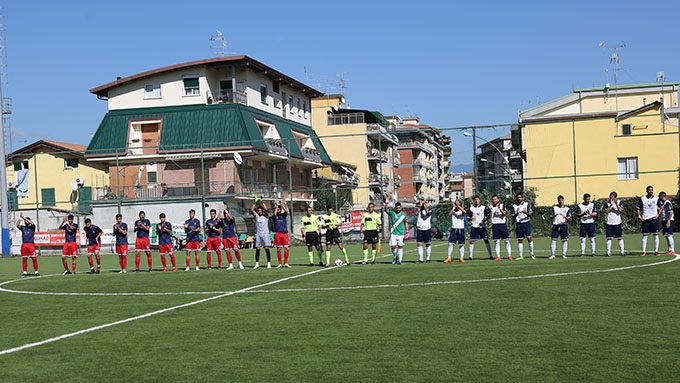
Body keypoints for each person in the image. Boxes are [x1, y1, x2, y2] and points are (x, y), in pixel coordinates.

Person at [637, 185, 662, 256]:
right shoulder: (642, 199)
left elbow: (660, 208)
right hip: (646, 220)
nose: (651, 191)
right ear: (647, 191)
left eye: (652, 190)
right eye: (649, 190)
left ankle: (656, 251)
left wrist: (657, 215)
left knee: (656, 235)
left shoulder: (656, 198)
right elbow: (638, 208)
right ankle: (644, 251)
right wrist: (639, 216)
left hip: (654, 219)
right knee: (645, 236)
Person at [467, 195, 493, 260]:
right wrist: (470, 218)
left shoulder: (483, 207)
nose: (476, 201)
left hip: (482, 227)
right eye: (475, 200)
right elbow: (467, 217)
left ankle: (490, 255)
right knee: (472, 241)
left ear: (479, 200)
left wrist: (483, 220)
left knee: (486, 240)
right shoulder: (471, 208)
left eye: (477, 199)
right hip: (474, 226)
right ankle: (470, 256)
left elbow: (488, 216)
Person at [511, 192, 534, 260]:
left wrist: (524, 212)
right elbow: (513, 217)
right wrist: (516, 213)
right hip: (519, 224)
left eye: (520, 197)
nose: (519, 199)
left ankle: (532, 254)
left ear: (522, 198)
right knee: (520, 240)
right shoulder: (514, 206)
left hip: (526, 223)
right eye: (518, 197)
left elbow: (531, 215)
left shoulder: (527, 204)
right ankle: (521, 255)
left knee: (529, 238)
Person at [251, 200, 272, 269]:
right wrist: (255, 202)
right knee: (257, 249)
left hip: (265, 234)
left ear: (262, 211)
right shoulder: (257, 216)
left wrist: (262, 202)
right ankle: (257, 263)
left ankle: (269, 263)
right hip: (258, 234)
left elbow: (266, 210)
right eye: (258, 210)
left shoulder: (265, 216)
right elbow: (252, 210)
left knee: (267, 248)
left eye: (260, 210)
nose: (259, 211)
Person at [490, 195, 512, 261]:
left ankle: (509, 255)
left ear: (498, 199)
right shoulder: (491, 207)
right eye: (493, 199)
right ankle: (498, 256)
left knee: (506, 240)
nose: (494, 201)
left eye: (495, 199)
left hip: (502, 224)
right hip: (495, 225)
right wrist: (491, 210)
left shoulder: (502, 205)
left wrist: (499, 208)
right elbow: (490, 217)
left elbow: (505, 214)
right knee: (496, 241)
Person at [549, 195, 571, 260]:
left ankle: (564, 254)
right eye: (559, 200)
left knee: (564, 240)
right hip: (555, 225)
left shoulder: (567, 209)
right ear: (557, 201)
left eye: (561, 200)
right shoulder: (554, 208)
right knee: (553, 240)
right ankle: (553, 255)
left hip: (563, 225)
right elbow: (550, 216)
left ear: (563, 200)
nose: (560, 201)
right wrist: (554, 216)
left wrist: (565, 217)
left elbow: (569, 218)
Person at [604, 191, 625, 256]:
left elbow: (620, 210)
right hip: (609, 222)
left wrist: (616, 203)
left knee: (619, 237)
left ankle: (622, 252)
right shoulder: (606, 203)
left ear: (615, 197)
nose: (611, 199)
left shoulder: (619, 202)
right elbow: (606, 211)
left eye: (612, 198)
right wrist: (610, 205)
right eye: (610, 197)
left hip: (617, 222)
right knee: (609, 238)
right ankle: (608, 252)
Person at [272, 200, 291, 268]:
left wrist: (282, 204)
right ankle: (280, 263)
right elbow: (274, 214)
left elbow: (287, 211)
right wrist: (277, 206)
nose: (278, 210)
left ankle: (285, 263)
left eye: (279, 209)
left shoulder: (283, 215)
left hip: (284, 234)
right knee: (279, 249)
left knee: (286, 248)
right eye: (278, 209)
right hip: (278, 234)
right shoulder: (274, 217)